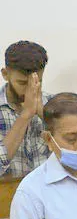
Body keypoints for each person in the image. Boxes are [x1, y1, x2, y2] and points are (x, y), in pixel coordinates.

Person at [0, 41, 51, 177]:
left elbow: (75, 155)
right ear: (5, 74)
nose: (30, 89)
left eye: (37, 82)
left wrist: (44, 114)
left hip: (48, 188)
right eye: (22, 83)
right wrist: (26, 114)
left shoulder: (53, 103)